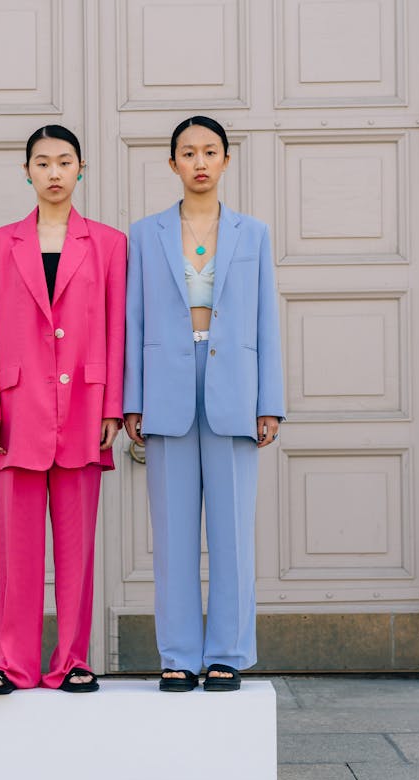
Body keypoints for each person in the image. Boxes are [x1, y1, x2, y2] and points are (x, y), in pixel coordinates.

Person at [123, 115, 285, 693]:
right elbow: (132, 319)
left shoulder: (254, 234)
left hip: (234, 391)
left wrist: (270, 402)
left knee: (234, 530)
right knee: (171, 535)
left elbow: (266, 320)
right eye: (187, 153)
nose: (198, 162)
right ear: (172, 164)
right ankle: (179, 654)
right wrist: (131, 399)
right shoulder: (145, 235)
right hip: (167, 385)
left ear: (225, 161)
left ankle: (229, 653)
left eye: (209, 151)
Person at [0, 125, 127, 694]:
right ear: (28, 173)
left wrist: (114, 403)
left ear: (81, 169)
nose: (55, 173)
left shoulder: (109, 244)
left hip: (86, 408)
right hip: (17, 410)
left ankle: (72, 661)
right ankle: (9, 662)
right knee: (16, 550)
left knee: (77, 547)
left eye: (65, 162)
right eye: (43, 163)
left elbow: (117, 329)